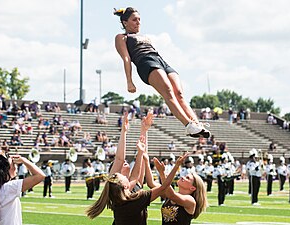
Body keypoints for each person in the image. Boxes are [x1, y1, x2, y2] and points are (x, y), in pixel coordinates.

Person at [113, 7, 210, 139]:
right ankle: (188, 125)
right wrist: (129, 81)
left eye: (139, 19)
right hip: (145, 62)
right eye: (134, 20)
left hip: (160, 61)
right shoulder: (122, 37)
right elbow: (126, 58)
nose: (138, 22)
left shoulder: (144, 37)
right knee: (168, 91)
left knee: (179, 93)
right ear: (125, 22)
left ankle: (197, 124)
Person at [85, 139, 188, 225]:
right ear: (126, 186)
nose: (128, 178)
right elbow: (164, 186)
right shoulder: (136, 199)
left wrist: (140, 153)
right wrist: (175, 166)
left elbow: (134, 177)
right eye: (124, 177)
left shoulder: (116, 198)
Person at [0, 147, 45, 225]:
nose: (16, 166)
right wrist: (24, 160)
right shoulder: (9, 188)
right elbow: (40, 176)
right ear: (5, 169)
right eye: (13, 164)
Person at [149, 155, 207, 224]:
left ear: (192, 188)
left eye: (187, 178)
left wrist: (163, 173)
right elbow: (151, 184)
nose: (183, 177)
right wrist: (144, 157)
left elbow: (172, 195)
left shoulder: (190, 201)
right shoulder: (170, 194)